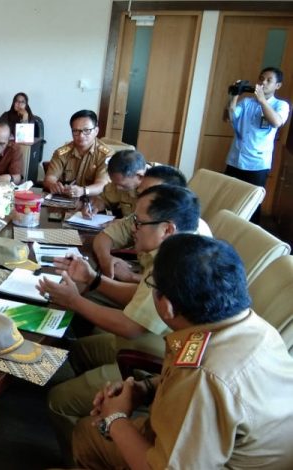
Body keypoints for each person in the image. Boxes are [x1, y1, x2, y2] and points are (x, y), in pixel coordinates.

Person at [73, 234, 293, 469]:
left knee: (87, 436)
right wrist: (145, 388)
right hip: (213, 447)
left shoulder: (203, 376)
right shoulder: (253, 326)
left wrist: (115, 418)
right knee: (89, 432)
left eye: (151, 285)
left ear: (167, 306)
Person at [38, 185, 201, 462]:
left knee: (58, 401)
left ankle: (83, 456)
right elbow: (140, 296)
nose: (132, 227)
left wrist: (74, 300)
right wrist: (93, 279)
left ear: (167, 229)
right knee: (77, 351)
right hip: (158, 351)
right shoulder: (179, 249)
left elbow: (131, 327)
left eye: (138, 221)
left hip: (153, 353)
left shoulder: (176, 265)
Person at [91, 165, 212, 282]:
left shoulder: (189, 245)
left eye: (153, 193)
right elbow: (106, 236)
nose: (142, 198)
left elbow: (163, 288)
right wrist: (105, 259)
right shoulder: (143, 218)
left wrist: (131, 277)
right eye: (141, 193)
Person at [224, 67, 290, 223]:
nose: (263, 83)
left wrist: (262, 101)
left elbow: (276, 122)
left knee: (252, 204)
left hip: (257, 165)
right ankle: (226, 228)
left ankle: (249, 233)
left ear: (278, 85)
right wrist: (234, 95)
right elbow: (228, 118)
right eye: (261, 79)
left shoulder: (281, 105)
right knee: (229, 199)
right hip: (235, 159)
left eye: (269, 80)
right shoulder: (247, 102)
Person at [44, 109, 113, 198]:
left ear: (96, 131)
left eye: (86, 130)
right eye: (76, 131)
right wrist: (52, 185)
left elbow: (102, 185)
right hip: (66, 199)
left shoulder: (106, 154)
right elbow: (49, 178)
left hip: (93, 201)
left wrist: (83, 191)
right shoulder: (61, 153)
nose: (81, 135)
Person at [81, 149, 147, 219]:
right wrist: (93, 206)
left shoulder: (154, 190)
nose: (117, 188)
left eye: (123, 185)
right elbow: (104, 199)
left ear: (140, 176)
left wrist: (119, 223)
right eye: (114, 183)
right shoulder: (119, 181)